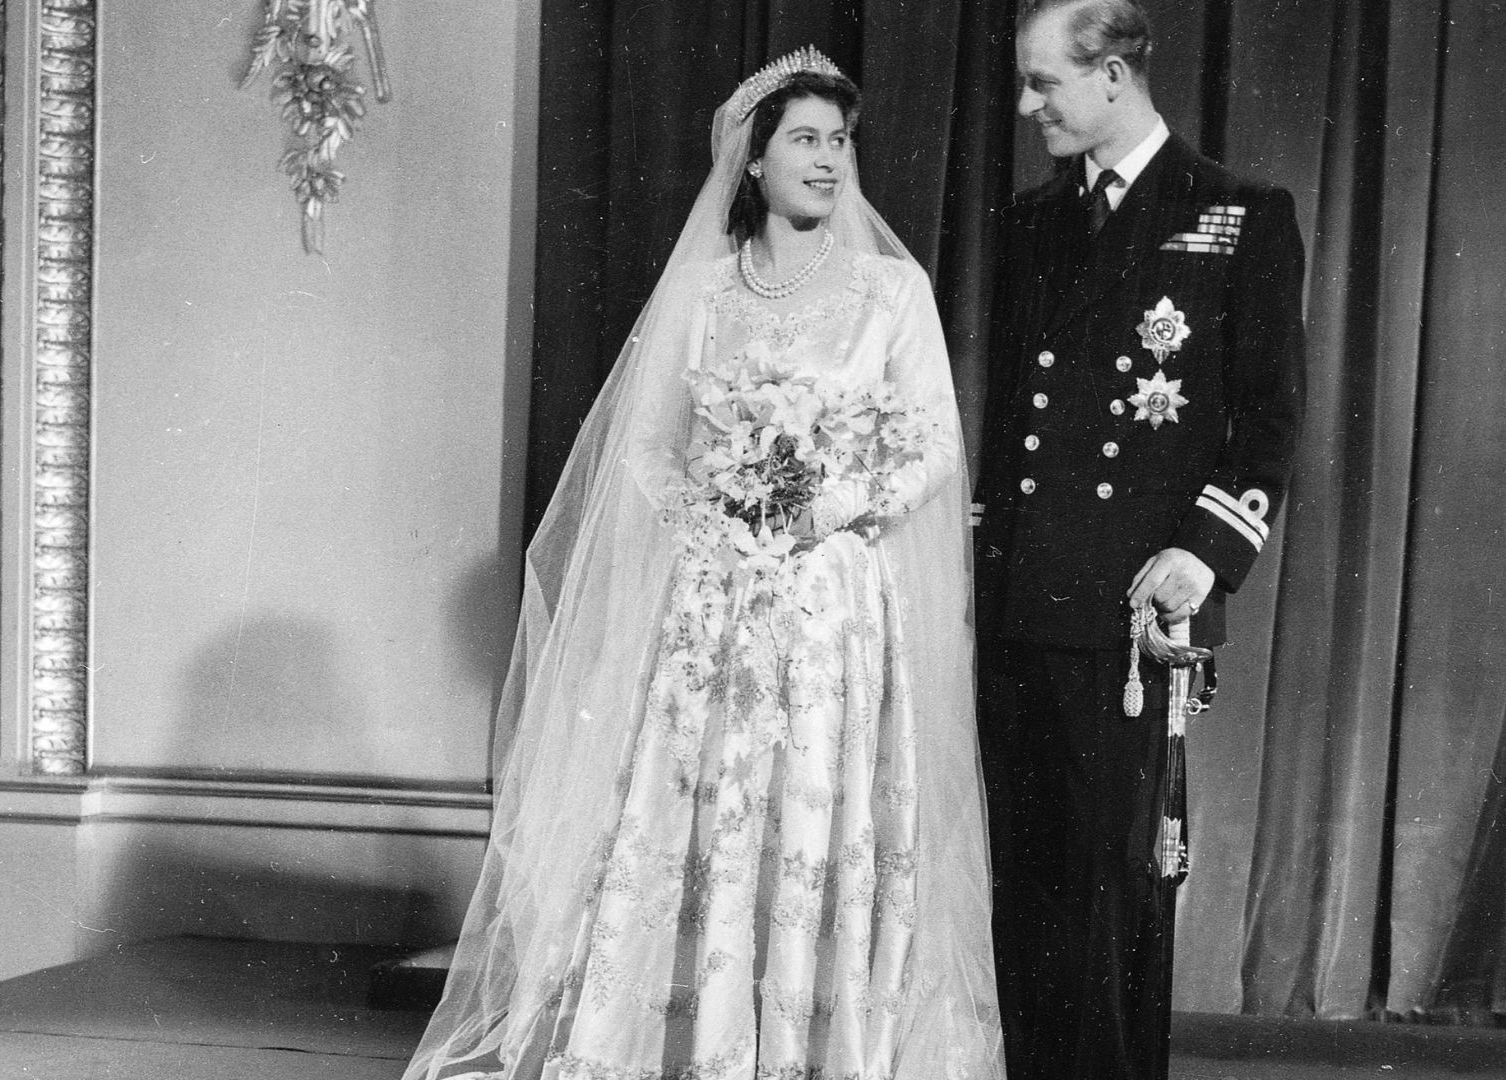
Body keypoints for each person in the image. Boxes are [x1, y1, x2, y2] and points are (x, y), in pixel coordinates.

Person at [405, 48, 1004, 1080]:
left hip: (832, 597)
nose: (828, 161)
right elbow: (645, 446)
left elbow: (933, 445)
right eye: (806, 140)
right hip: (714, 601)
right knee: (707, 810)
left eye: (840, 141)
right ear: (755, 161)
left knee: (819, 809)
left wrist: (827, 503)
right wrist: (713, 516)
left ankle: (824, 1053)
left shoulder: (891, 292)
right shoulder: (706, 292)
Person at [972, 1, 1306, 1077]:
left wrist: (1203, 557)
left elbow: (1269, 420)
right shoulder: (1032, 223)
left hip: (1129, 615)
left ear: (1112, 76)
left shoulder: (1238, 214)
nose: (1027, 109)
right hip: (1020, 604)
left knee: (1112, 892)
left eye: (1043, 85)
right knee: (1020, 887)